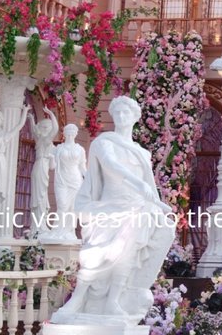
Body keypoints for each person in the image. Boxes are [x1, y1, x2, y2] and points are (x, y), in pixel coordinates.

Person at [51, 96, 174, 326]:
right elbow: (110, 165)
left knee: (127, 255)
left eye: (126, 112)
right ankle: (77, 300)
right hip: (108, 207)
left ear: (135, 117)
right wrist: (138, 184)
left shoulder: (142, 153)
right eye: (117, 112)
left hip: (137, 209)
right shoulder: (104, 142)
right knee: (94, 255)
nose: (121, 116)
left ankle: (113, 301)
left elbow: (149, 185)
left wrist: (156, 206)